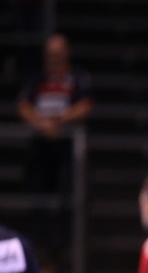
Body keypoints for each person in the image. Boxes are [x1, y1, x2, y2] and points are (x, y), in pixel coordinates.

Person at [16, 33, 93, 197]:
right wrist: (42, 122)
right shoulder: (37, 78)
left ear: (67, 53)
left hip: (67, 140)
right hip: (40, 138)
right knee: (37, 180)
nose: (54, 57)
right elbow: (23, 106)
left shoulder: (77, 76)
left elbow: (85, 106)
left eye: (58, 53)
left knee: (68, 184)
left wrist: (58, 121)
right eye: (51, 53)